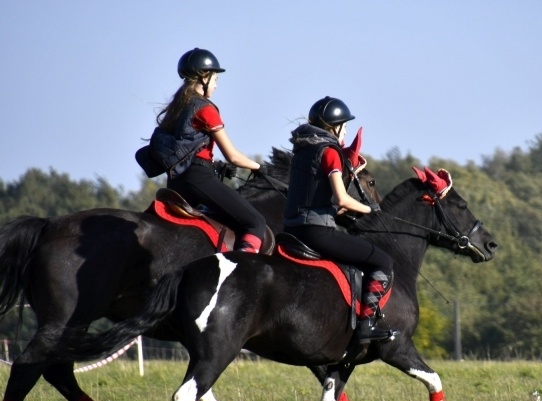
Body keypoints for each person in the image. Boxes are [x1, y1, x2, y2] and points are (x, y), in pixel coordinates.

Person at [283, 96, 394, 344]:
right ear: (335, 127)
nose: (345, 132)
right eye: (345, 126)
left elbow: (317, 197)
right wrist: (370, 209)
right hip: (316, 232)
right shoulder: (329, 152)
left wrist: (334, 211)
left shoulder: (302, 150)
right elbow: (342, 198)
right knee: (382, 260)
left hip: (292, 229)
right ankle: (366, 327)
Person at [156, 48, 268, 253]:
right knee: (255, 222)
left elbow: (186, 149)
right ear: (204, 77)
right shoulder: (205, 109)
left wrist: (214, 165)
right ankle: (243, 266)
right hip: (198, 180)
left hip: (175, 183)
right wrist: (258, 167)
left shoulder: (177, 107)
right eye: (215, 79)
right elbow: (233, 156)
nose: (216, 85)